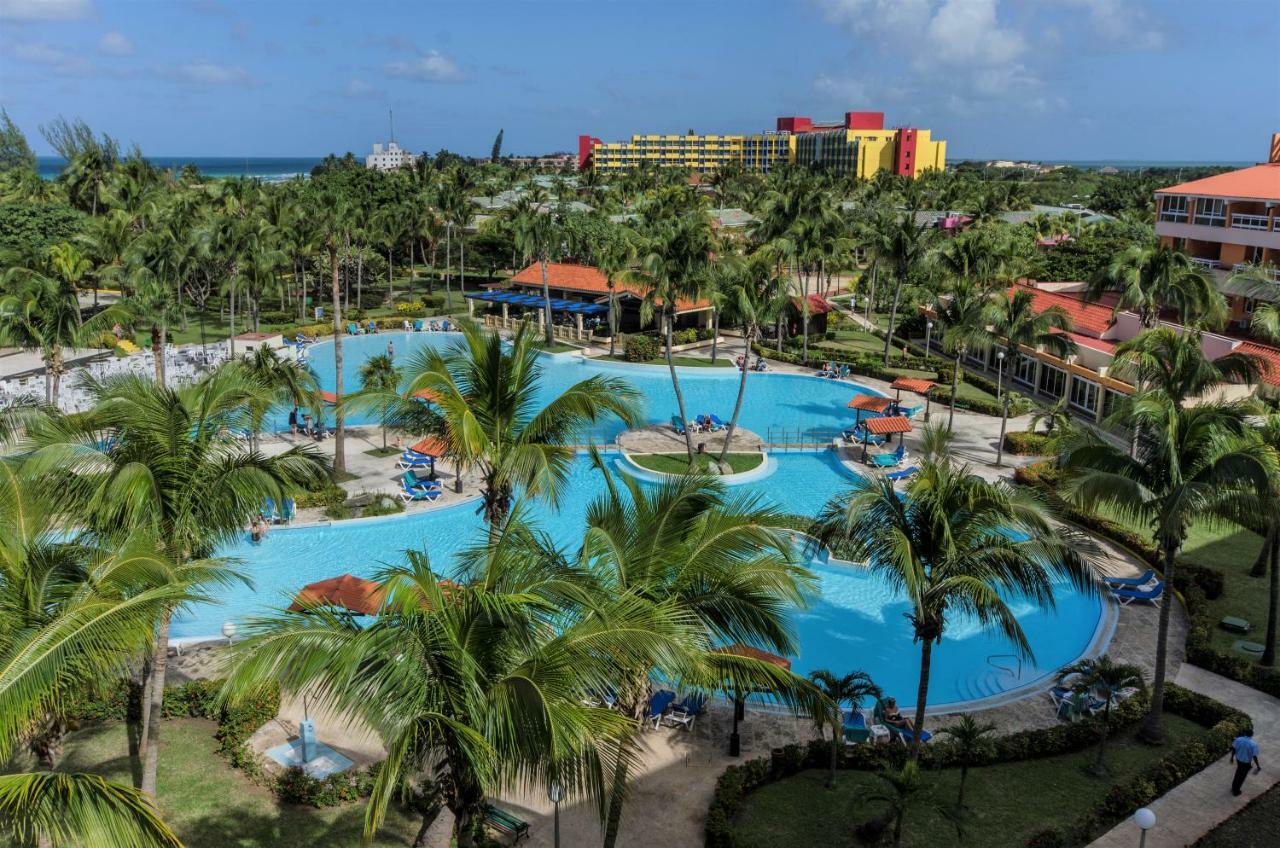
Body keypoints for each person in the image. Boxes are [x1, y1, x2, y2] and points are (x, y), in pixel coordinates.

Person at [1229, 730, 1261, 796]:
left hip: (1239, 760)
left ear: (1245, 733)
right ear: (1252, 735)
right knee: (1242, 777)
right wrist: (1258, 765)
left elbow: (1233, 749)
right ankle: (1236, 791)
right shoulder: (1253, 744)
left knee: (1237, 773)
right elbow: (1254, 756)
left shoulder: (1238, 739)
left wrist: (1232, 758)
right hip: (1246, 763)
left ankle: (1233, 787)